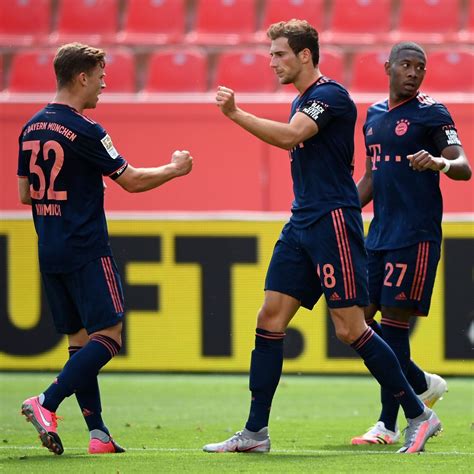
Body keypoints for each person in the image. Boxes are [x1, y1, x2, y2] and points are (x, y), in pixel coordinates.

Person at [202, 20, 441, 455]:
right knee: (269, 319)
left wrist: (236, 113)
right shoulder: (305, 99)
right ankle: (255, 433)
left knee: (351, 328)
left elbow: (292, 135)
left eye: (279, 54)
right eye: (271, 54)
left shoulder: (329, 96)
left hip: (333, 221)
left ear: (305, 55)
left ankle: (420, 415)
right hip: (302, 222)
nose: (272, 61)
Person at [18, 43, 193, 455]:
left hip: (50, 247)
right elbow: (130, 180)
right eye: (100, 76)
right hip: (86, 247)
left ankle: (98, 435)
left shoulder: (30, 127)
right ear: (81, 77)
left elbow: (25, 194)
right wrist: (175, 169)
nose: (104, 83)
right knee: (110, 336)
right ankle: (45, 402)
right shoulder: (85, 129)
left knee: (81, 341)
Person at [352, 41, 471, 446]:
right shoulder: (373, 116)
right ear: (388, 67)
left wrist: (439, 162)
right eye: (406, 65)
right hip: (378, 235)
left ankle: (387, 423)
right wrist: (342, 208)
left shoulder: (432, 113)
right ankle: (422, 381)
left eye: (421, 67)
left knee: (393, 328)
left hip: (415, 235)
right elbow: (371, 177)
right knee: (359, 324)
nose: (414, 72)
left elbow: (463, 166)